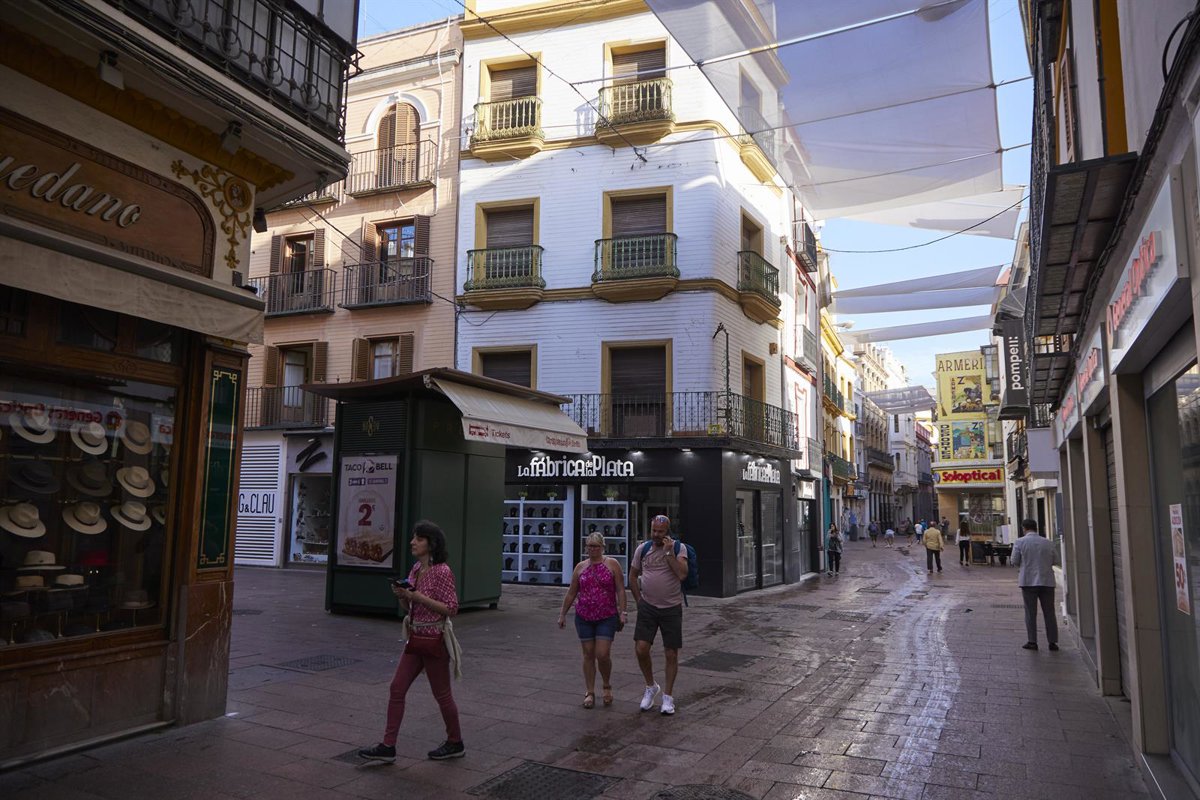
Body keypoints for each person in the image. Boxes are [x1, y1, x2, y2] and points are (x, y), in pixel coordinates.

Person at [359, 521, 464, 764]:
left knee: (442, 695)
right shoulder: (416, 569)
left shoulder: (442, 571)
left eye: (419, 539)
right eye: (414, 538)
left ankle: (455, 741)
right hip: (415, 638)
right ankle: (388, 746)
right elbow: (410, 607)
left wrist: (417, 596)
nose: (412, 542)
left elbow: (451, 608)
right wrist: (402, 596)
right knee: (397, 688)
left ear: (431, 544)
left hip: (435, 640)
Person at [558, 532, 627, 708]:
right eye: (590, 546)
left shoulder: (612, 564)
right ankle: (589, 691)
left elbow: (620, 589)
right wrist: (563, 614)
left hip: (606, 615)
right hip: (584, 616)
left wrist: (623, 612)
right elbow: (572, 592)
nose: (593, 549)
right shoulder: (581, 567)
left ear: (602, 547)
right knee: (588, 654)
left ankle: (606, 685)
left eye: (596, 546)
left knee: (602, 654)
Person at [629, 515, 688, 715]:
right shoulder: (642, 549)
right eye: (653, 530)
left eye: (660, 531)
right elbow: (633, 575)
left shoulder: (679, 548)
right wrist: (639, 600)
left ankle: (668, 697)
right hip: (648, 606)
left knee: (671, 652)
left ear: (667, 532)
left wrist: (669, 553)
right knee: (641, 648)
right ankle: (651, 686)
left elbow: (682, 574)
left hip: (671, 607)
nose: (655, 534)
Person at [1011, 518, 1060, 651]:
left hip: (1028, 581)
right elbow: (1056, 560)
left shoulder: (1020, 542)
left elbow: (1014, 560)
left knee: (1030, 613)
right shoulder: (1048, 542)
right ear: (1036, 528)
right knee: (1049, 612)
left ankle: (1032, 641)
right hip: (1047, 581)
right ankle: (1052, 642)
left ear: (1024, 528)